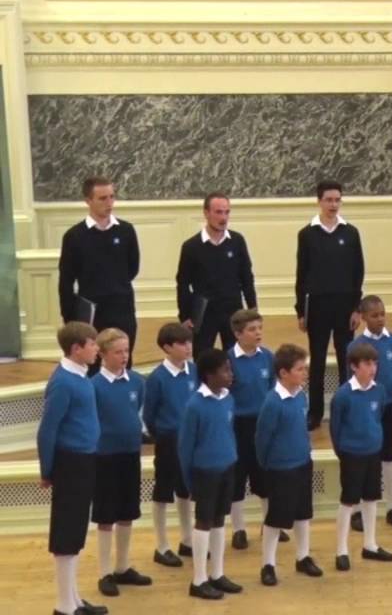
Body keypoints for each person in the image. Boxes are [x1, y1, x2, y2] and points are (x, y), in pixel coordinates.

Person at [38, 322, 107, 615]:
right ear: (76, 348)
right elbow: (47, 429)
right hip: (70, 463)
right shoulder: (64, 382)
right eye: (92, 344)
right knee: (67, 532)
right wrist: (47, 469)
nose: (97, 349)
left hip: (84, 460)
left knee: (76, 530)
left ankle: (74, 598)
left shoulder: (80, 377)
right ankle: (64, 606)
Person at [297, 180, 365, 431]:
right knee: (317, 361)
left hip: (345, 307)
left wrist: (357, 308)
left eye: (337, 200)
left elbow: (358, 271)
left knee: (347, 359)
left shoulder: (350, 233)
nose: (333, 204)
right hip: (317, 307)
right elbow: (301, 275)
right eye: (329, 200)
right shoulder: (307, 234)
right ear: (319, 201)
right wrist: (300, 311)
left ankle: (346, 409)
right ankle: (315, 413)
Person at [176, 349, 243, 600]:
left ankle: (217, 573)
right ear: (209, 375)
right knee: (203, 521)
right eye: (225, 370)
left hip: (227, 468)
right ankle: (199, 579)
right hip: (205, 472)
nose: (230, 374)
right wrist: (189, 479)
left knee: (219, 520)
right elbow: (185, 447)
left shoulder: (228, 399)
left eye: (230, 368)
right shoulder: (195, 406)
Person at [90, 328, 152, 599]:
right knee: (106, 516)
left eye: (126, 351)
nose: (124, 356)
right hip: (104, 458)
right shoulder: (93, 386)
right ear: (102, 355)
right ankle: (104, 572)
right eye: (118, 352)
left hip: (130, 454)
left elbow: (138, 413)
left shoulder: (137, 382)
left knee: (128, 511)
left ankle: (122, 566)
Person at [256, 344, 323, 585]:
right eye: (300, 369)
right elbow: (262, 439)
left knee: (303, 513)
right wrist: (269, 464)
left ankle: (303, 556)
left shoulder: (301, 396)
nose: (305, 373)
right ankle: (268, 564)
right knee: (276, 518)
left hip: (302, 463)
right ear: (284, 373)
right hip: (280, 468)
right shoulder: (273, 403)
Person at [58, 176, 140, 369]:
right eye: (103, 198)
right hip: (92, 312)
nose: (109, 203)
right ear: (88, 201)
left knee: (123, 361)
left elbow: (132, 268)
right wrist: (70, 319)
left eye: (112, 197)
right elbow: (66, 280)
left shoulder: (126, 231)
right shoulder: (74, 236)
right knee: (93, 365)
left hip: (122, 308)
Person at [330, 342, 392, 571]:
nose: (373, 368)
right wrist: (345, 451)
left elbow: (378, 417)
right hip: (351, 453)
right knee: (349, 501)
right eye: (367, 364)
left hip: (373, 452)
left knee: (371, 498)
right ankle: (341, 549)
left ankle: (370, 544)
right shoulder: (343, 396)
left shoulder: (379, 390)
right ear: (354, 367)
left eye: (375, 363)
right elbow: (336, 430)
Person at [347, 295, 392, 532]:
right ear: (363, 318)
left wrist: (388, 391)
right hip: (364, 406)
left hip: (389, 404)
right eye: (374, 315)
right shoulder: (355, 347)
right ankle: (358, 510)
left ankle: (391, 507)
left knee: (388, 455)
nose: (380, 319)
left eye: (382, 314)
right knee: (364, 455)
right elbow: (350, 378)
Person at [142, 323, 196, 566]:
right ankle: (161, 545)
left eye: (189, 342)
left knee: (186, 490)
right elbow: (149, 415)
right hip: (168, 439)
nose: (188, 347)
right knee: (163, 491)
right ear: (167, 347)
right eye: (182, 343)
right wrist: (162, 433)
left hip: (190, 440)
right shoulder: (157, 379)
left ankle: (187, 540)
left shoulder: (194, 371)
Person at [176, 193, 257, 354]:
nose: (224, 217)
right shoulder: (191, 247)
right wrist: (185, 316)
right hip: (204, 313)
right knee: (202, 358)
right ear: (206, 213)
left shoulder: (237, 241)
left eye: (227, 212)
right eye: (219, 212)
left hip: (233, 310)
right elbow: (183, 283)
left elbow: (246, 276)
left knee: (236, 357)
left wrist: (252, 307)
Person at [226, 309, 273, 550]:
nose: (258, 334)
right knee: (238, 477)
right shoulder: (228, 361)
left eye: (259, 328)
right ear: (238, 334)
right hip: (238, 426)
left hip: (262, 424)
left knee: (264, 475)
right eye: (252, 330)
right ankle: (239, 529)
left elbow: (274, 390)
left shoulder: (267, 357)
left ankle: (270, 524)